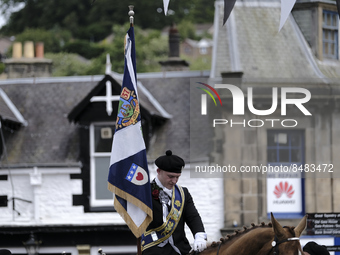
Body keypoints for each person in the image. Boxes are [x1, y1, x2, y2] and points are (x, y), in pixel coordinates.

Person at [141, 150, 207, 255]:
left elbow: (193, 217)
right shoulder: (144, 192)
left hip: (181, 250)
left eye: (177, 177)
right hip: (154, 249)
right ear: (158, 171)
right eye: (171, 176)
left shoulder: (183, 193)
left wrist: (199, 235)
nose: (174, 181)